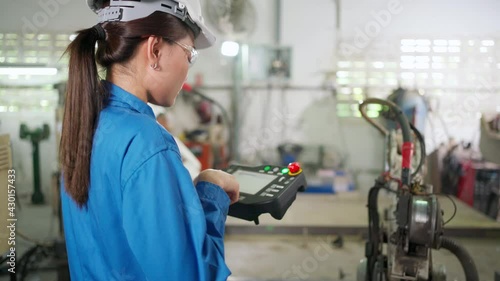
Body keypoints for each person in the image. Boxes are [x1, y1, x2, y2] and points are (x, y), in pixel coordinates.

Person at [59, 0, 239, 280]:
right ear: (155, 50)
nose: (188, 68)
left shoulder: (87, 123)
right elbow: (191, 275)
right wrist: (210, 189)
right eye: (190, 54)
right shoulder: (147, 141)